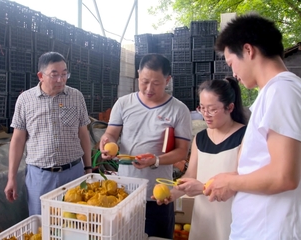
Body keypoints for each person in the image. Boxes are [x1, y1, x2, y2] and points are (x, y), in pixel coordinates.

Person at [204, 13, 301, 239]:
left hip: (270, 231)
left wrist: (231, 181)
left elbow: (284, 176)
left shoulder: (282, 91)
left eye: (231, 63)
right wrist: (233, 182)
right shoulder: (274, 93)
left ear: (248, 50)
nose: (234, 74)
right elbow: (266, 166)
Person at [99, 53, 192, 239]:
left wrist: (156, 160)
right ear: (138, 74)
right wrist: (106, 140)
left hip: (158, 195)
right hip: (125, 193)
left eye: (156, 83)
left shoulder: (178, 110)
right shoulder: (124, 103)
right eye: (144, 81)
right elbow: (111, 133)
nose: (149, 88)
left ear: (168, 80)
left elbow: (182, 151)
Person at [154, 77, 247, 240]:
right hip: (203, 217)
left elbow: (244, 181)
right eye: (202, 108)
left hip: (231, 218)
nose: (206, 114)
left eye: (212, 109)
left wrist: (203, 188)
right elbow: (190, 174)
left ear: (230, 107)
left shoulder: (245, 137)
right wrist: (173, 193)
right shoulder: (200, 138)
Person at [4, 52, 92, 216]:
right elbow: (17, 140)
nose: (61, 80)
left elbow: (83, 134)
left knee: (77, 222)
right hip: (40, 176)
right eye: (55, 75)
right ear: (40, 76)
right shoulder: (25, 100)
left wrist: (88, 168)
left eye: (64, 74)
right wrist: (11, 177)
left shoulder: (76, 97)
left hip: (74, 172)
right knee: (42, 223)